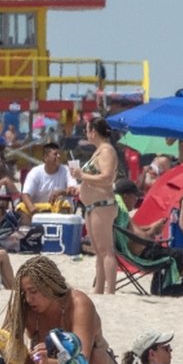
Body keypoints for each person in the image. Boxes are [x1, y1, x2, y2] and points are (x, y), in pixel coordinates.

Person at [1, 256, 118, 364]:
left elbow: (82, 361)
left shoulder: (78, 304)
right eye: (25, 293)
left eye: (33, 291)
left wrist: (48, 363)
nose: (29, 299)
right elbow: (4, 342)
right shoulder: (26, 307)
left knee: (98, 358)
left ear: (50, 286)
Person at [115, 180, 183, 299]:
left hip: (146, 254)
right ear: (126, 196)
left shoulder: (121, 214)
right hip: (149, 254)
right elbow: (142, 238)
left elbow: (135, 233)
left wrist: (152, 227)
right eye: (135, 196)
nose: (136, 200)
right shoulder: (124, 214)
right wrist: (153, 230)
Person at [69, 118, 118, 294]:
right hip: (93, 205)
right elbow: (96, 179)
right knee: (98, 250)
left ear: (93, 132)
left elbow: (107, 178)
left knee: (106, 250)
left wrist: (82, 175)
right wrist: (79, 185)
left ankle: (110, 290)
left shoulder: (106, 152)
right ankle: (99, 289)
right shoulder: (99, 151)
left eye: (87, 130)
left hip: (102, 204)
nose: (86, 134)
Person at [15, 142, 78, 224]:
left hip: (57, 209)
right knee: (21, 207)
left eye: (59, 154)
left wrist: (61, 192)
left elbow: (74, 190)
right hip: (37, 208)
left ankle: (61, 231)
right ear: (45, 157)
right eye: (55, 154)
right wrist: (32, 209)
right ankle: (28, 233)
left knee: (65, 204)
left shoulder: (66, 170)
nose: (58, 156)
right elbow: (25, 194)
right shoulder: (35, 172)